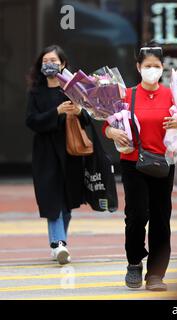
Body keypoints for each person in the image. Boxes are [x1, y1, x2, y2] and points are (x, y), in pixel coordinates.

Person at [103, 41, 177, 291]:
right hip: (133, 163)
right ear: (138, 67)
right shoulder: (126, 95)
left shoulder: (174, 94)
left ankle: (156, 274)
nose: (152, 69)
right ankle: (134, 262)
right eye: (147, 66)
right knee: (137, 215)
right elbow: (108, 124)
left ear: (162, 67)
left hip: (164, 163)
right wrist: (112, 132)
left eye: (156, 65)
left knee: (161, 219)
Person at [25, 45, 89, 265]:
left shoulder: (73, 90)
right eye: (45, 61)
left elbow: (89, 119)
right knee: (52, 200)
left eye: (53, 60)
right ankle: (59, 244)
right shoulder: (35, 92)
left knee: (67, 203)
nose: (49, 64)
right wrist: (56, 112)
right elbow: (31, 121)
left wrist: (79, 111)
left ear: (63, 64)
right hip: (46, 154)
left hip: (70, 151)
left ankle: (59, 244)